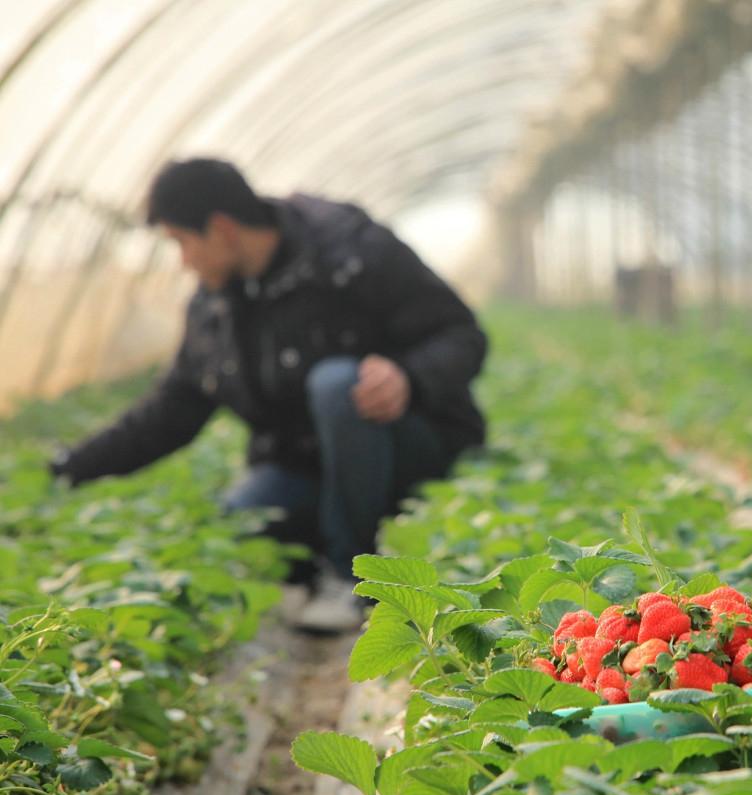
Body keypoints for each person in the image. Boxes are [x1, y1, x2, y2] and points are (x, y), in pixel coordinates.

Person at [50, 158, 487, 633]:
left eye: (182, 242)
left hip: (408, 448)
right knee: (240, 520)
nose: (183, 261)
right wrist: (67, 468)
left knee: (339, 384)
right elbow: (170, 412)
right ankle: (317, 557)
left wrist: (409, 377)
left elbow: (463, 334)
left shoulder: (351, 253)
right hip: (310, 468)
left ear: (221, 229)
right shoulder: (215, 307)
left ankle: (351, 578)